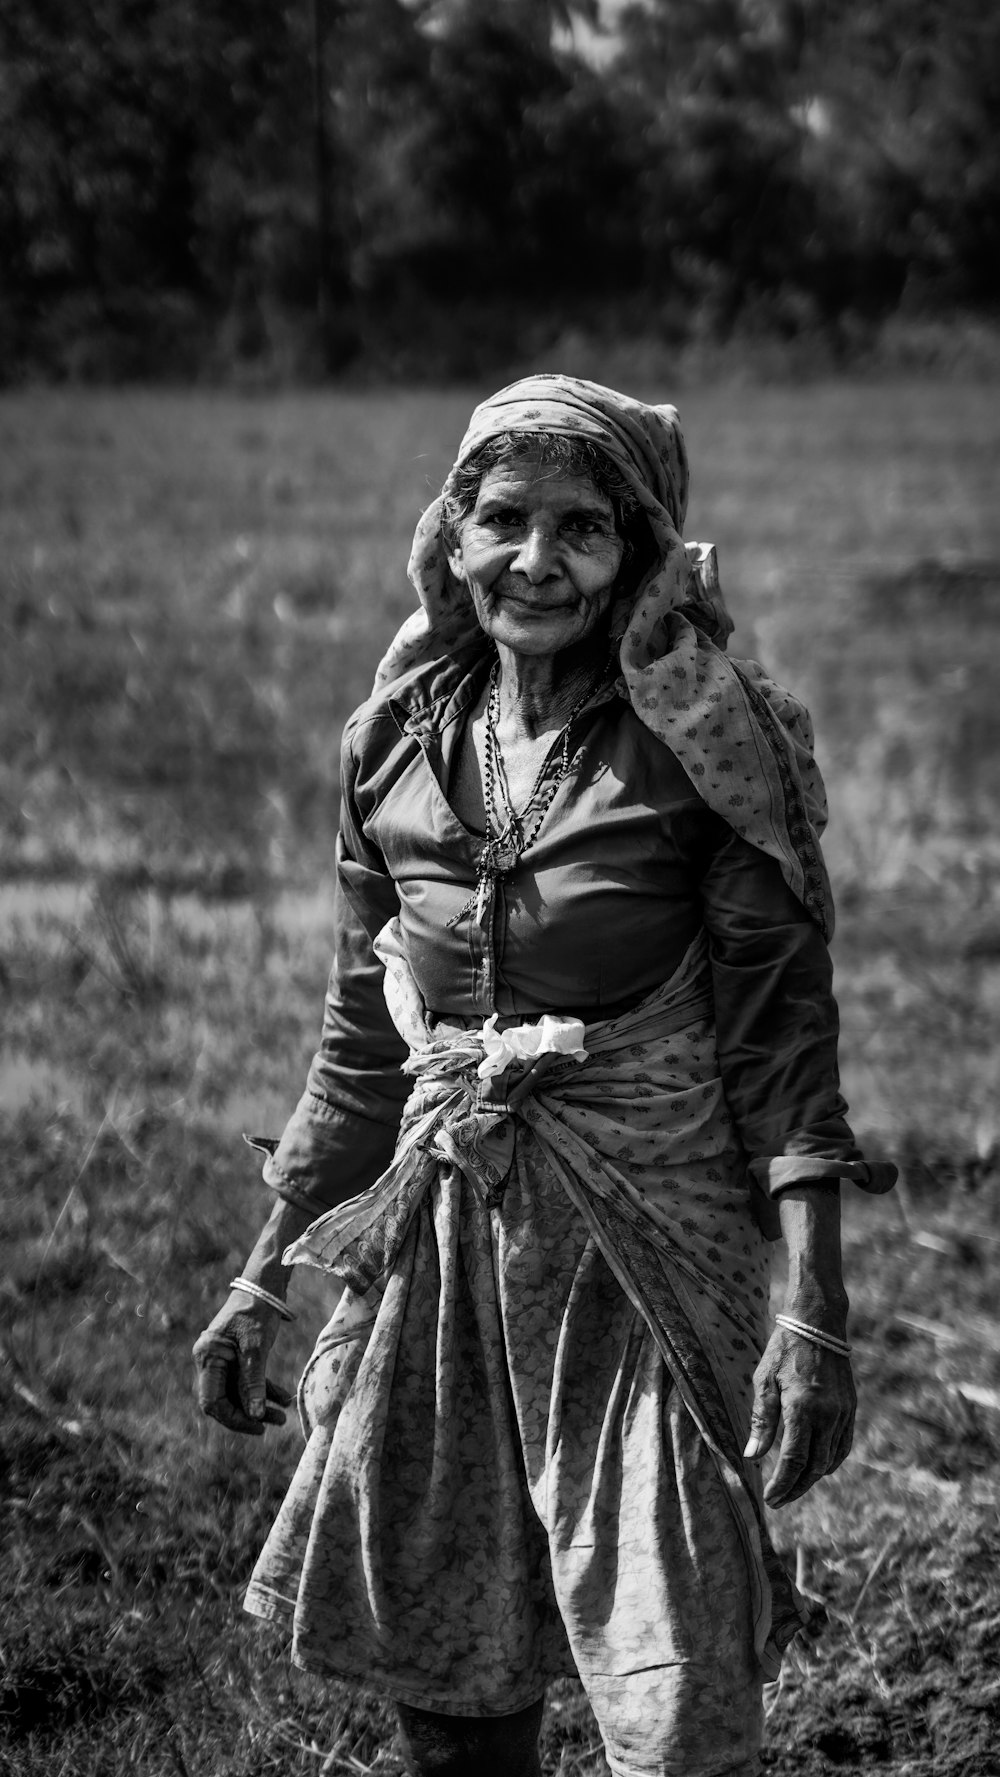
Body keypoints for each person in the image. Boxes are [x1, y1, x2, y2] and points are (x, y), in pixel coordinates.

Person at [193, 375, 895, 1777]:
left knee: (680, 1695)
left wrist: (814, 1310)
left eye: (582, 527)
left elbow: (782, 1047)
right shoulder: (393, 742)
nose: (536, 558)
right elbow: (362, 1040)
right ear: (449, 538)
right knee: (453, 1694)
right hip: (447, 1251)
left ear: (639, 554)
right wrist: (264, 1271)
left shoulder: (713, 742)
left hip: (644, 1255)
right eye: (503, 518)